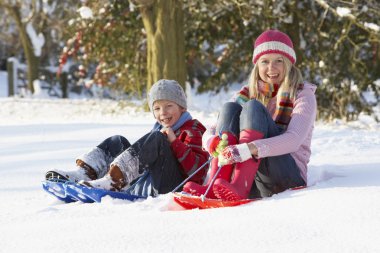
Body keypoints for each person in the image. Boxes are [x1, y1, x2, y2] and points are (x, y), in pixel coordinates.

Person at [183, 29, 317, 201]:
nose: (271, 68)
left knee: (253, 107)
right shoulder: (245, 93)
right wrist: (212, 142)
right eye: (265, 61)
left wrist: (248, 149)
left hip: (286, 177)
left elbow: (294, 139)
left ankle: (239, 185)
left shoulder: (303, 94)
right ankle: (216, 184)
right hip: (255, 180)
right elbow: (212, 130)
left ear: (289, 64)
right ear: (257, 65)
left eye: (279, 61)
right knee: (230, 108)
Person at [45, 79, 209, 197]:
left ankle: (114, 181)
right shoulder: (160, 129)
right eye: (157, 108)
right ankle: (85, 174)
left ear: (182, 107)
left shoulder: (192, 130)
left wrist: (175, 142)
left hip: (173, 186)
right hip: (153, 179)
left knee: (157, 139)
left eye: (169, 106)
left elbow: (197, 173)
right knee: (117, 141)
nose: (163, 113)